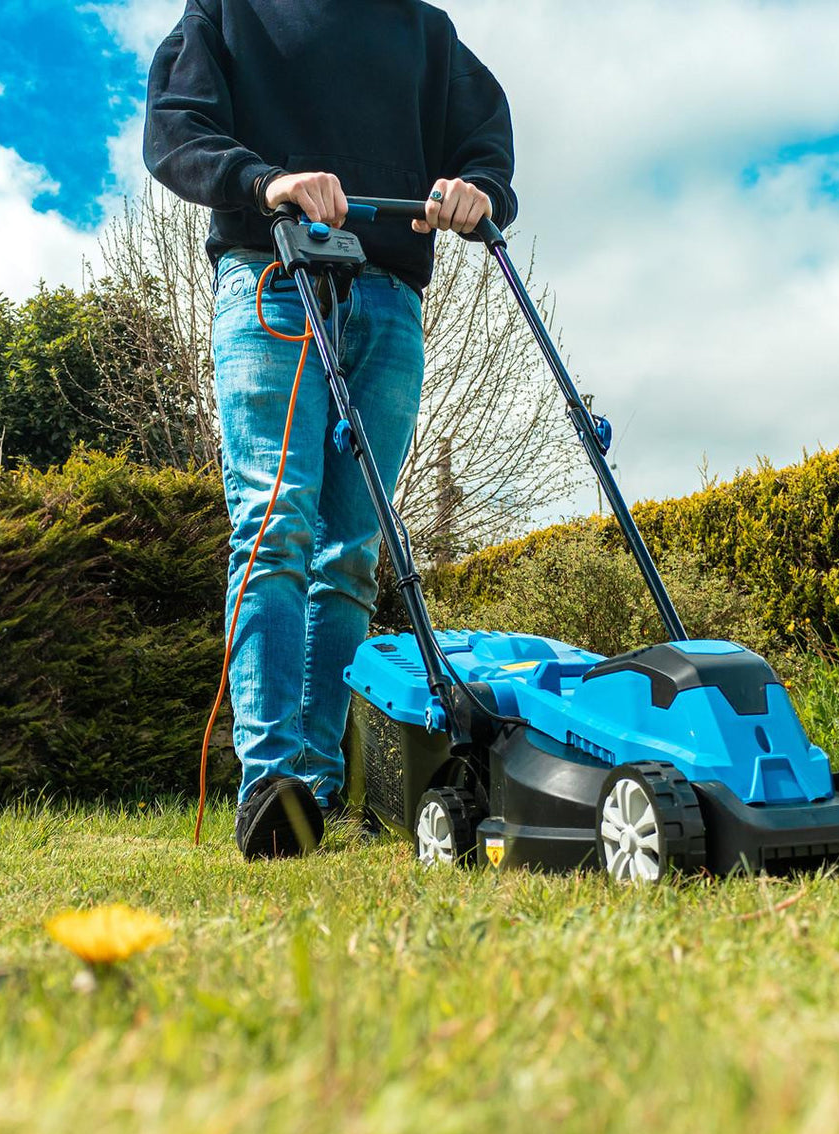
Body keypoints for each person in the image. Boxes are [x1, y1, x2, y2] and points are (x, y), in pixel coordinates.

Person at [143, 0, 516, 860]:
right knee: (274, 526)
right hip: (272, 275)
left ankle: (316, 786)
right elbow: (174, 126)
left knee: (350, 552)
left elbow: (484, 143)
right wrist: (262, 179)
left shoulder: (424, 31)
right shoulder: (230, 12)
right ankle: (271, 782)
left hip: (388, 300)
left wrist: (476, 191)